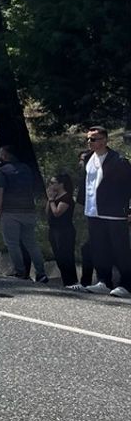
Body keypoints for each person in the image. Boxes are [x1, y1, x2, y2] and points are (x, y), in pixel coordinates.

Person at [80, 126, 131, 298]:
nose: (89, 142)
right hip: (93, 211)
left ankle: (126, 284)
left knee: (120, 249)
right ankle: (104, 280)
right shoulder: (88, 158)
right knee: (99, 248)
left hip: (114, 212)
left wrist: (128, 208)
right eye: (88, 139)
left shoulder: (119, 161)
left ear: (104, 140)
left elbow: (127, 186)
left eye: (93, 139)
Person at [0, 145, 48, 282]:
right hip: (29, 210)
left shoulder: (1, 172)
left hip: (10, 211)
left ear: (5, 156)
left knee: (12, 243)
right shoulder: (26, 169)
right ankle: (41, 273)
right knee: (31, 243)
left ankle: (21, 272)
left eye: (1, 154)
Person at [46, 173, 81, 290]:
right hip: (54, 229)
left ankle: (72, 280)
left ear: (61, 184)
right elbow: (48, 212)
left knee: (66, 255)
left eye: (53, 183)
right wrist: (50, 199)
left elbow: (57, 212)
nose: (50, 185)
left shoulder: (66, 198)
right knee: (59, 256)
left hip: (64, 230)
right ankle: (66, 280)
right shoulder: (54, 197)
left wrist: (51, 200)